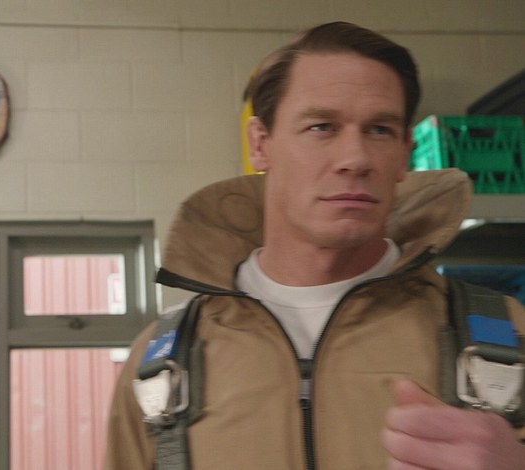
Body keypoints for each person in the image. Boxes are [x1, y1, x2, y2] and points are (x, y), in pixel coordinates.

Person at [104, 21, 525, 469]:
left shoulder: (506, 337)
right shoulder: (161, 365)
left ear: (404, 152)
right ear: (260, 144)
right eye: (322, 126)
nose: (355, 159)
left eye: (379, 130)